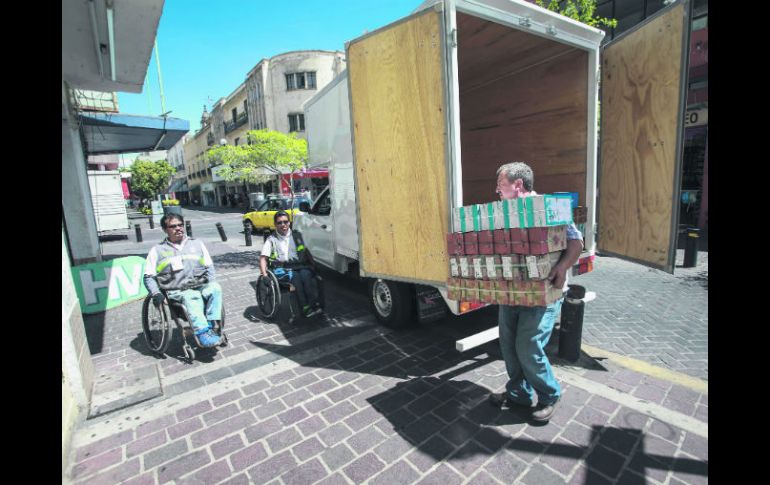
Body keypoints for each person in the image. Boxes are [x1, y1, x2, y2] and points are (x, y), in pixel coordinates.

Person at [488, 162, 583, 423]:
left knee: (528, 346)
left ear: (518, 185)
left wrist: (562, 267)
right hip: (511, 291)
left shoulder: (548, 207)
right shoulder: (504, 212)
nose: (497, 190)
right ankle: (518, 393)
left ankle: (550, 395)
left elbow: (576, 241)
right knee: (509, 345)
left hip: (543, 292)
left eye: (501, 185)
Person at [143, 214, 223, 347]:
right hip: (177, 290)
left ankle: (211, 324)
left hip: (199, 284)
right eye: (173, 226)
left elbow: (209, 267)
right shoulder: (157, 250)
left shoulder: (197, 243)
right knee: (192, 296)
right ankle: (202, 332)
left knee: (215, 288)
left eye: (180, 225)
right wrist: (156, 293)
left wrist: (211, 282)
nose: (178, 228)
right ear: (165, 229)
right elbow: (148, 276)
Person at [260, 210, 323, 318]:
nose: (283, 225)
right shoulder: (271, 240)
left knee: (306, 275)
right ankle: (305, 307)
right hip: (281, 269)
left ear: (289, 222)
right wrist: (264, 275)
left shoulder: (297, 235)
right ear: (275, 224)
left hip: (299, 265)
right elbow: (263, 258)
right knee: (295, 277)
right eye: (279, 222)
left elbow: (306, 251)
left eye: (285, 221)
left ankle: (313, 304)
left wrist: (314, 265)